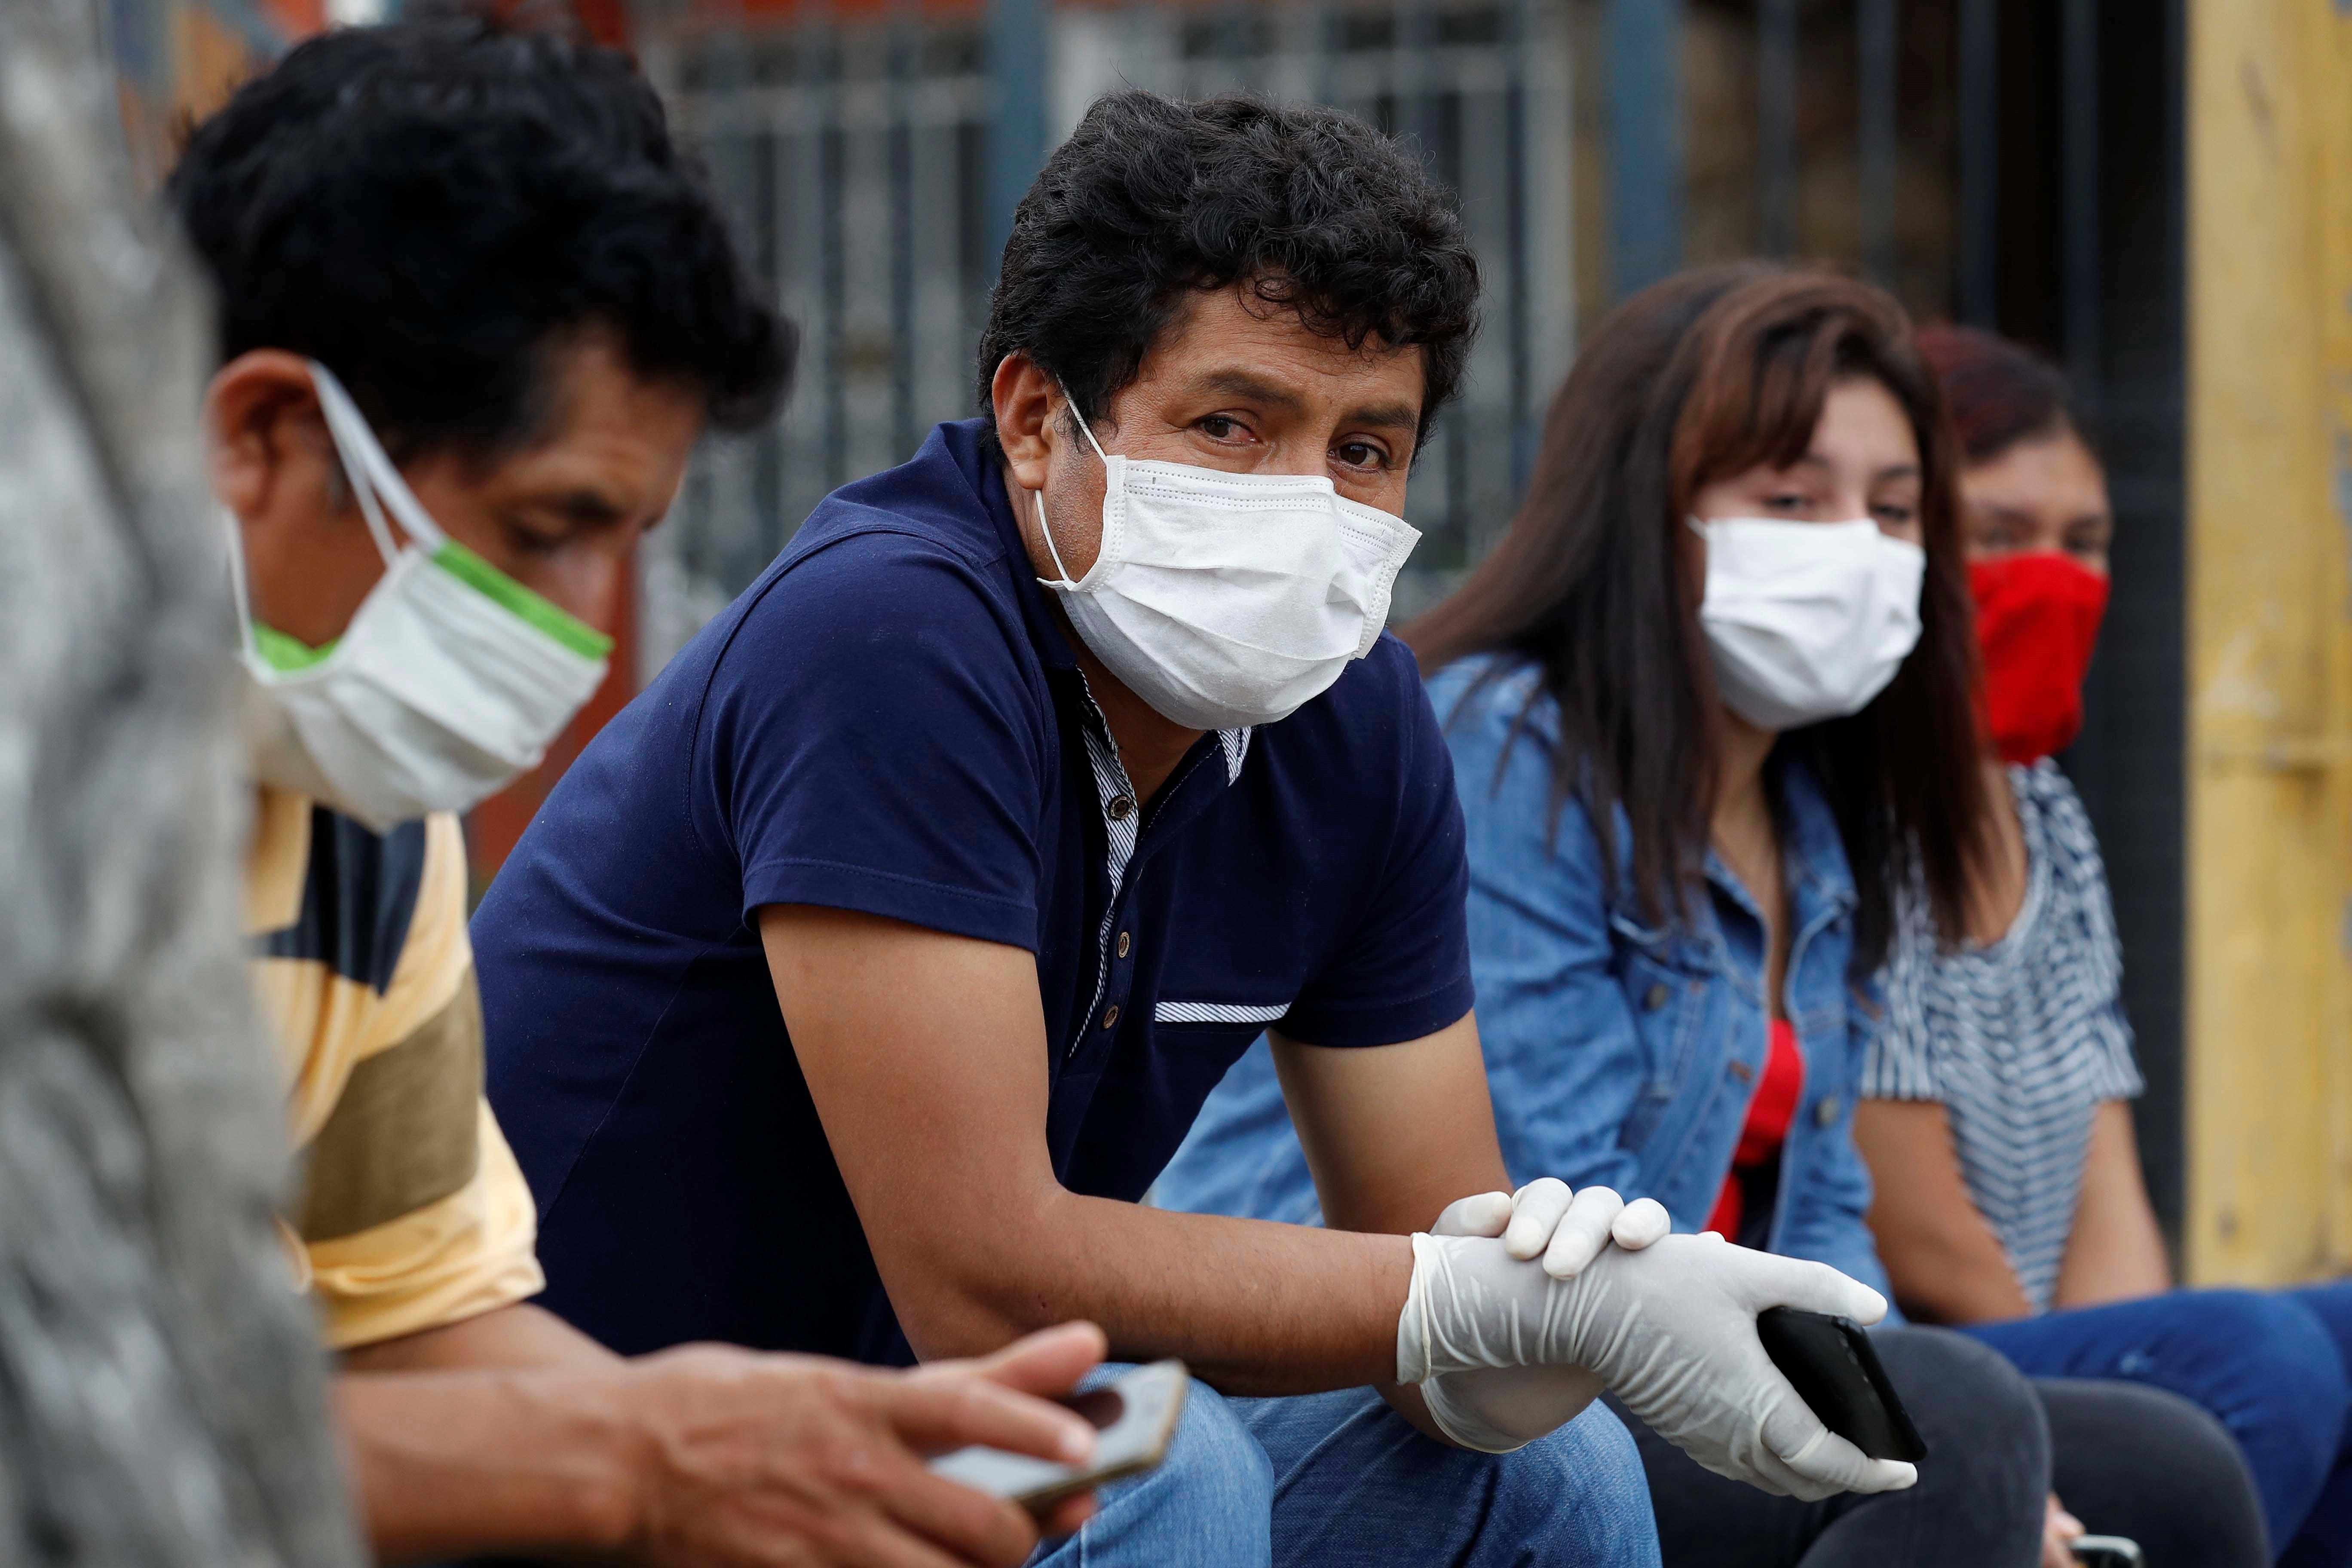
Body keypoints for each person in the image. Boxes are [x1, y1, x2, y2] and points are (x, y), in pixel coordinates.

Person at [471, 91, 1929, 1568]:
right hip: (585, 1459)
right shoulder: (889, 635)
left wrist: (1560, 1321)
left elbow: (1430, 1276)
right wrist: (1480, 1300)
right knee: (1163, 1467)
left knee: (1549, 1471)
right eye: (1232, 425)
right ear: (1036, 420)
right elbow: (985, 1286)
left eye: (1366, 449)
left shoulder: (1356, 724)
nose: (1306, 506)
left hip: (922, 1424)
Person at [179, 14, 1119, 1565]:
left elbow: (415, 1320)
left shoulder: (355, 811)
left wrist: (805, 1450)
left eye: (620, 542)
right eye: (543, 528)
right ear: (268, 435)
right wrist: (636, 1455)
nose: (581, 623)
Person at [1159, 262, 2272, 1567]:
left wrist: (1903, 1413)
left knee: (2172, 1470)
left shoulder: (1814, 811)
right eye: (1792, 502)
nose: (1855, 548)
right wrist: (1928, 1442)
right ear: (1651, 512)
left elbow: (1826, 1220)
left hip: (1685, 1355)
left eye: (1894, 509)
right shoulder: (1505, 750)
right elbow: (1555, 1209)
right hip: (1446, 1381)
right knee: (1968, 1428)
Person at [1853, 322, 2352, 1565]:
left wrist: (2141, 1376)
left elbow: (2105, 1178)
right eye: (2002, 535)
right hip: (1921, 1368)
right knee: (2263, 1357)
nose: (2054, 576)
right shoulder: (1851, 816)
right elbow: (1921, 1233)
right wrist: (2125, 1396)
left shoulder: (2050, 818)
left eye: (2083, 542)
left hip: (2048, 1347)